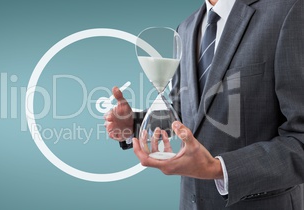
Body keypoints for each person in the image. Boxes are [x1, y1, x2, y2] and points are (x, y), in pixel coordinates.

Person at [104, 0, 304, 209]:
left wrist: (218, 168)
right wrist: (136, 123)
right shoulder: (185, 29)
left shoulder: (288, 10)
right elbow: (187, 113)